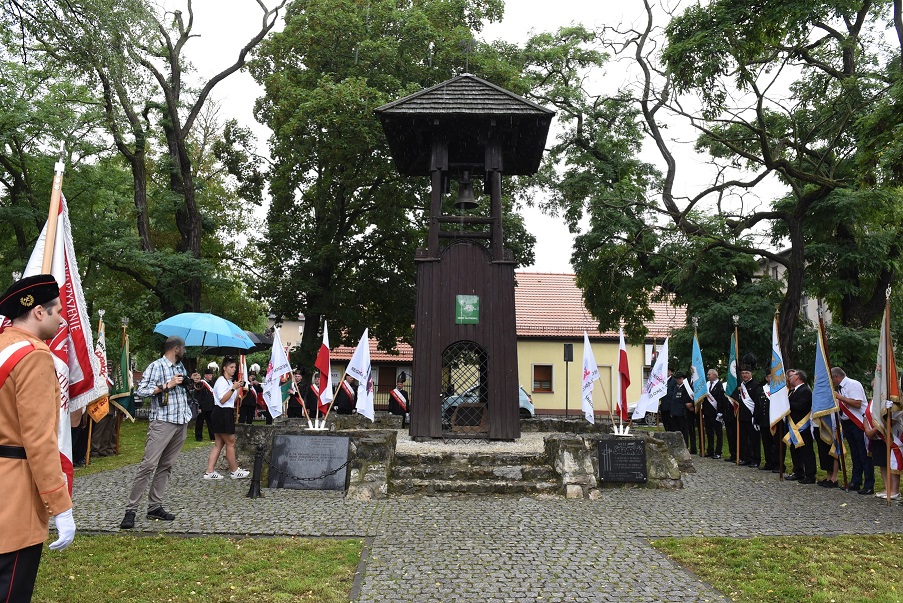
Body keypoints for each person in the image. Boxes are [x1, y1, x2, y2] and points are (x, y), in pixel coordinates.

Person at [0, 274, 76, 602]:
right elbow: (40, 441)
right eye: (57, 311)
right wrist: (61, 507)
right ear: (39, 312)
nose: (62, 319)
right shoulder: (34, 355)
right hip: (15, 496)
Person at [120, 336, 200, 529]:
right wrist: (166, 385)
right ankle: (131, 510)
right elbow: (141, 391)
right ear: (176, 349)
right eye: (183, 348)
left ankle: (154, 507)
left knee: (166, 465)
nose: (185, 351)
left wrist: (190, 382)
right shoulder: (156, 366)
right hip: (163, 422)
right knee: (148, 465)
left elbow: (181, 390)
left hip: (181, 421)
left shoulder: (181, 367)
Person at [203, 357, 250, 480]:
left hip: (227, 411)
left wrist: (238, 387)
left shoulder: (229, 382)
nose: (234, 369)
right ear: (224, 368)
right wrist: (233, 388)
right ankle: (234, 470)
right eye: (231, 367)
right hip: (221, 412)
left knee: (219, 443)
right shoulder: (221, 381)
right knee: (231, 442)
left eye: (235, 367)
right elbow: (223, 400)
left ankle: (210, 471)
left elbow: (232, 399)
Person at [833, 367, 872, 493]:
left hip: (858, 422)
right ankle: (856, 481)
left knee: (863, 453)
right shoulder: (840, 388)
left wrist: (840, 397)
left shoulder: (853, 384)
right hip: (847, 422)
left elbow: (857, 404)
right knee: (855, 454)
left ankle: (869, 484)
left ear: (836, 377)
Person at [785, 368, 817, 484]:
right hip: (793, 425)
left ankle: (810, 475)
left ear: (798, 377)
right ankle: (798, 472)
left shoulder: (805, 391)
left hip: (802, 426)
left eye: (792, 376)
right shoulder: (794, 391)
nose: (789, 378)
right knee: (795, 450)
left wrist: (786, 403)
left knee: (806, 451)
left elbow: (802, 406)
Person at [735, 365, 765, 468]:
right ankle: (745, 458)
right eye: (743, 373)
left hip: (752, 417)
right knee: (743, 439)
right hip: (742, 417)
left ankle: (755, 460)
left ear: (751, 374)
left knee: (754, 440)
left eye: (747, 373)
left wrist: (755, 417)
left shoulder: (756, 385)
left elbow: (757, 403)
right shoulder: (740, 386)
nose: (744, 375)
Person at [702, 369, 724, 458]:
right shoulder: (706, 385)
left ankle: (718, 452)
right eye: (707, 374)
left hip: (716, 413)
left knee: (718, 433)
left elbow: (721, 399)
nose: (708, 376)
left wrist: (720, 412)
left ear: (715, 375)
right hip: (707, 412)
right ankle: (710, 450)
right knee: (709, 432)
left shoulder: (720, 385)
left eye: (709, 374)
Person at [194, 363, 216, 441]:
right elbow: (197, 396)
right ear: (205, 375)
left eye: (211, 375)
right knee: (200, 422)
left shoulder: (212, 383)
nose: (211, 376)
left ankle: (212, 436)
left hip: (210, 406)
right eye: (209, 375)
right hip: (202, 406)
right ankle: (198, 437)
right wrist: (198, 407)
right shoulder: (201, 383)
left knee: (211, 422)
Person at [670, 372, 691, 451]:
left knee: (684, 431)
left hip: (682, 412)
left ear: (683, 379)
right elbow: (673, 400)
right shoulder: (676, 387)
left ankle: (685, 446)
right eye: (677, 379)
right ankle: (678, 446)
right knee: (676, 430)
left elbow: (686, 399)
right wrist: (672, 412)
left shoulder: (686, 388)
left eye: (680, 378)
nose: (678, 380)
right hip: (675, 412)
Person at [659, 368, 675, 432]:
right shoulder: (662, 381)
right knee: (665, 423)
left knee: (671, 424)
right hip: (663, 406)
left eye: (669, 371)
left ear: (671, 372)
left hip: (670, 407)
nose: (667, 372)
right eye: (666, 370)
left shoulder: (674, 381)